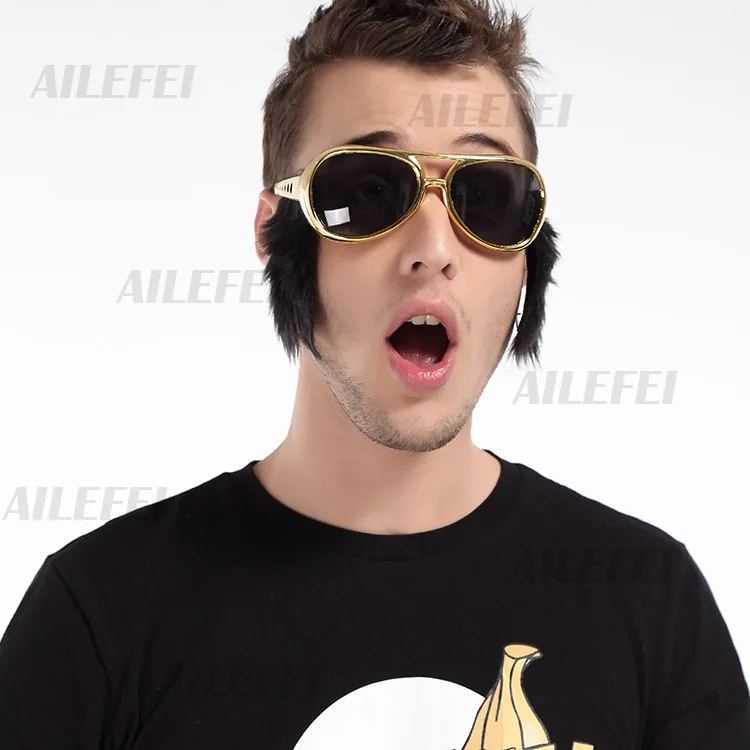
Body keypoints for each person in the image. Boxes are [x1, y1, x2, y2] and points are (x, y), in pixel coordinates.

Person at [1, 1, 748, 748]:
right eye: (367, 192)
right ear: (272, 231)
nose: (434, 249)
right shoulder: (99, 616)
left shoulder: (649, 602)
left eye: (485, 196)